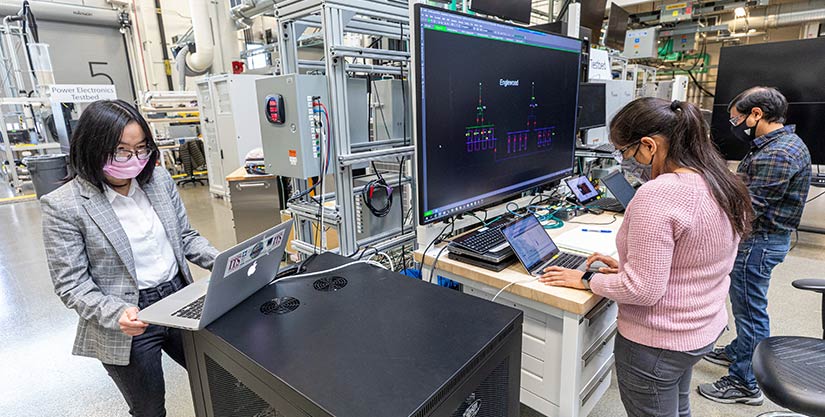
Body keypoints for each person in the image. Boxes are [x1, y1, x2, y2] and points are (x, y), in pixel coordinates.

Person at [539, 97, 753, 417]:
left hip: (658, 343)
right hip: (700, 329)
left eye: (625, 152)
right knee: (677, 407)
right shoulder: (721, 181)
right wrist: (627, 267)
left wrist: (587, 279)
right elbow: (697, 258)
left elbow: (643, 291)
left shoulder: (658, 193)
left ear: (649, 145)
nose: (626, 160)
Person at [41, 99, 219, 417]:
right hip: (129, 318)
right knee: (149, 408)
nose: (133, 159)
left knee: (220, 377)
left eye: (142, 149)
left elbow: (186, 238)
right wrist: (116, 313)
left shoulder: (159, 181)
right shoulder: (65, 205)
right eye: (121, 151)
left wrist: (224, 263)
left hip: (178, 298)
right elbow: (72, 285)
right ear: (92, 148)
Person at [698, 87, 812, 405]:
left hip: (760, 242)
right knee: (746, 304)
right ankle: (739, 351)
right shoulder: (774, 144)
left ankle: (745, 382)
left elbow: (751, 206)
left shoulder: (779, 153)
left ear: (757, 114)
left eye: (738, 118)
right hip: (761, 240)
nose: (736, 124)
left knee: (750, 311)